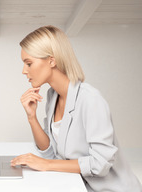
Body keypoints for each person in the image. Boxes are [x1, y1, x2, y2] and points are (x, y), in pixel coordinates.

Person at [10, 25, 142, 192]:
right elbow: (50, 153)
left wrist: (47, 165)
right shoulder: (53, 96)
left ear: (51, 60)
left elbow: (100, 164)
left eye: (29, 63)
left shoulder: (90, 99)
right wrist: (31, 117)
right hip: (76, 184)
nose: (24, 71)